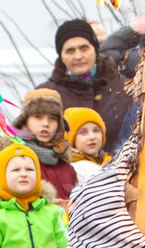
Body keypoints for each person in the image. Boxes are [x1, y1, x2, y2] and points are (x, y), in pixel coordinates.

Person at [41, 17, 134, 151]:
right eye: (70, 51)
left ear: (95, 50)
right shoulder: (45, 96)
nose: (78, 56)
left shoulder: (127, 88)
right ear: (61, 56)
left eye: (84, 48)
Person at [12, 86, 79, 201]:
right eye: (38, 117)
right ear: (24, 120)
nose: (45, 124)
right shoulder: (10, 162)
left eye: (52, 118)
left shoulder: (67, 168)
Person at [64, 106, 110, 181]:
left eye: (96, 130)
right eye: (83, 132)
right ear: (71, 137)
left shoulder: (107, 161)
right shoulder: (76, 169)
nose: (92, 137)